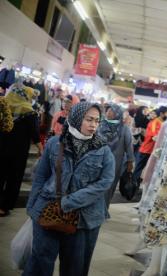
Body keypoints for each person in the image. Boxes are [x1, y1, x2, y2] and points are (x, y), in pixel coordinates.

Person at [24, 102, 115, 276]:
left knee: (75, 267)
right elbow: (41, 176)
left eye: (97, 120)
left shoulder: (103, 151)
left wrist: (70, 202)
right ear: (76, 118)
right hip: (48, 209)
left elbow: (105, 182)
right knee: (40, 261)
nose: (93, 125)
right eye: (89, 119)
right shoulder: (54, 143)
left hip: (84, 218)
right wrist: (32, 207)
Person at [0, 84, 42, 217]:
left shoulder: (3, 106)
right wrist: (41, 149)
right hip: (18, 152)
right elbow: (35, 134)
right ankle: (5, 206)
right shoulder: (29, 112)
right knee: (14, 178)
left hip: (1, 147)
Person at [98, 103, 134, 208]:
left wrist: (130, 161)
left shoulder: (124, 129)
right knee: (96, 183)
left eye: (112, 111)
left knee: (110, 185)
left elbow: (128, 146)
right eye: (108, 111)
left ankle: (104, 208)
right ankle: (94, 208)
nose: (108, 113)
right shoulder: (101, 125)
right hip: (99, 160)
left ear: (118, 113)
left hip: (115, 162)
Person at [133, 106, 167, 183]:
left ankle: (137, 185)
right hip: (146, 150)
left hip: (152, 150)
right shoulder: (154, 122)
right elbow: (154, 136)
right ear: (162, 114)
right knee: (138, 170)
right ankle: (131, 188)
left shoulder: (162, 123)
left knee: (146, 170)